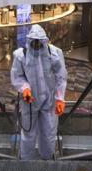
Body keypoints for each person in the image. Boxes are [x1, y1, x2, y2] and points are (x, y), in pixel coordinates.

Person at [11, 24, 67, 160]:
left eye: (39, 42)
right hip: (30, 102)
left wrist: (60, 98)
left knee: (49, 132)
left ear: (44, 41)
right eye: (34, 42)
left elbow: (61, 76)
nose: (36, 45)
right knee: (28, 133)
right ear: (29, 41)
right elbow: (17, 76)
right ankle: (25, 160)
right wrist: (25, 88)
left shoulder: (54, 53)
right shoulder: (21, 55)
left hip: (49, 101)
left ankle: (47, 158)